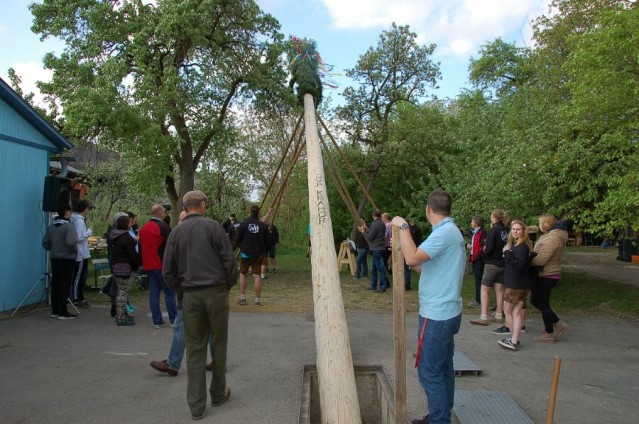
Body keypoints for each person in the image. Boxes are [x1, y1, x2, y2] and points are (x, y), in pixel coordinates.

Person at [391, 190, 466, 424]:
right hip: (446, 312)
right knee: (443, 369)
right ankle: (439, 416)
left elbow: (413, 258)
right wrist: (405, 250)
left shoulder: (443, 233)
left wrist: (402, 226)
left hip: (437, 315)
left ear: (428, 209)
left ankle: (439, 420)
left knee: (429, 373)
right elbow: (423, 267)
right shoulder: (450, 231)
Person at [163, 191, 238, 420]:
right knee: (218, 343)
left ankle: (196, 406)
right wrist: (226, 286)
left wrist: (182, 290)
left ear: (185, 207)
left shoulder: (176, 232)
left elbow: (168, 271)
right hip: (216, 292)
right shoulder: (214, 227)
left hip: (190, 295)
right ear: (202, 204)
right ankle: (218, 392)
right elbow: (229, 262)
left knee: (195, 348)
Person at [530, 214, 569, 343]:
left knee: (543, 303)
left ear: (546, 225)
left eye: (540, 223)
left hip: (547, 274)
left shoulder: (553, 239)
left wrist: (526, 259)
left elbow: (541, 259)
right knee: (535, 300)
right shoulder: (550, 235)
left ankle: (549, 332)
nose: (539, 225)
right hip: (544, 273)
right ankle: (558, 324)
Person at [496, 220, 534, 350]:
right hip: (521, 283)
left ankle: (513, 339)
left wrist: (507, 254)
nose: (515, 231)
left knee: (508, 311)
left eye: (518, 229)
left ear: (523, 231)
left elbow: (520, 265)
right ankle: (514, 339)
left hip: (515, 284)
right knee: (516, 312)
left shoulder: (521, 247)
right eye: (513, 229)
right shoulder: (520, 246)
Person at [139, 203, 177, 328]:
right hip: (161, 264)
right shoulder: (163, 227)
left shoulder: (143, 228)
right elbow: (172, 244)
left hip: (148, 264)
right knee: (169, 292)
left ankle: (157, 320)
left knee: (154, 292)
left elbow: (140, 246)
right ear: (160, 213)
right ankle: (174, 319)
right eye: (164, 212)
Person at [470, 209, 509, 326]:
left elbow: (489, 247)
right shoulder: (506, 230)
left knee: (484, 289)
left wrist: (484, 255)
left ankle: (483, 316)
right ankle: (499, 314)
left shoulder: (493, 230)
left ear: (495, 218)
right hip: (503, 262)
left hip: (492, 263)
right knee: (499, 289)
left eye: (491, 216)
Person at [43, 205, 78, 320]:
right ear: (67, 212)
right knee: (65, 285)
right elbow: (71, 242)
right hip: (67, 259)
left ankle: (55, 310)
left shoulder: (51, 226)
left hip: (55, 258)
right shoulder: (69, 226)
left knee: (56, 284)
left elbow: (45, 242)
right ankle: (63, 311)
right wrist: (74, 251)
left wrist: (54, 249)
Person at [110, 214, 141, 326]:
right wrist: (137, 265)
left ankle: (121, 314)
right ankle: (121, 317)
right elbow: (132, 254)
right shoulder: (126, 238)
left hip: (116, 266)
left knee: (121, 291)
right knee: (123, 293)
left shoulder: (115, 236)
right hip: (126, 268)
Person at [234, 205, 268, 306]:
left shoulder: (243, 224)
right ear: (258, 213)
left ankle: (243, 298)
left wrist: (241, 246)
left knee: (243, 274)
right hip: (258, 254)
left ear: (250, 212)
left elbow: (237, 239)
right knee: (257, 276)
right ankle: (257, 300)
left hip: (245, 253)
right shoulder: (262, 225)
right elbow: (268, 240)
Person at [70, 199, 93, 308]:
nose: (88, 210)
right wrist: (89, 231)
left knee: (81, 276)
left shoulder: (77, 220)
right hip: (80, 253)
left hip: (82, 252)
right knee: (78, 277)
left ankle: (80, 297)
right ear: (84, 209)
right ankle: (75, 298)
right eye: (88, 208)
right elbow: (79, 237)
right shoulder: (79, 221)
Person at [358, 209, 387, 293]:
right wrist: (367, 230)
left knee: (380, 268)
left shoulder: (374, 224)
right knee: (374, 268)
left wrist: (363, 231)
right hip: (380, 248)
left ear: (373, 214)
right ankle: (374, 285)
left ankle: (383, 286)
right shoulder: (382, 223)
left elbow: (370, 237)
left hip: (376, 248)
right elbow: (375, 234)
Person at [467, 215, 486, 307]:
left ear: (476, 223)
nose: (471, 223)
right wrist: (471, 246)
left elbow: (482, 245)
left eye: (472, 221)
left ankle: (479, 300)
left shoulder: (482, 232)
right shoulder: (475, 232)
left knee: (479, 279)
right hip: (475, 258)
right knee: (477, 279)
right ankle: (478, 299)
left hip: (479, 259)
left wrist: (478, 255)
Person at [405, 220, 423, 290]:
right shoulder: (415, 228)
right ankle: (407, 284)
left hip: (408, 249)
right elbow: (420, 239)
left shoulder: (406, 230)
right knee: (408, 268)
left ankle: (406, 285)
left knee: (407, 268)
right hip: (416, 248)